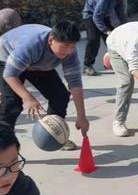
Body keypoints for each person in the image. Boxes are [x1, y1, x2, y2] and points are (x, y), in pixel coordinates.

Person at [0, 21, 89, 151]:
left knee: (60, 96)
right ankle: (4, 147)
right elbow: (10, 75)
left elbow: (75, 83)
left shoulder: (70, 52)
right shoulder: (31, 45)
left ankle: (54, 134)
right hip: (5, 58)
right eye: (65, 46)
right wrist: (28, 98)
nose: (69, 51)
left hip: (37, 64)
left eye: (72, 46)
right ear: (51, 40)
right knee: (12, 104)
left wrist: (82, 116)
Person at [82, 0, 129, 76]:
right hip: (90, 16)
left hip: (103, 17)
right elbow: (96, 17)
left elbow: (121, 16)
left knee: (113, 40)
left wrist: (126, 28)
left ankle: (117, 64)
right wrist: (106, 30)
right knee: (93, 39)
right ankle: (87, 66)